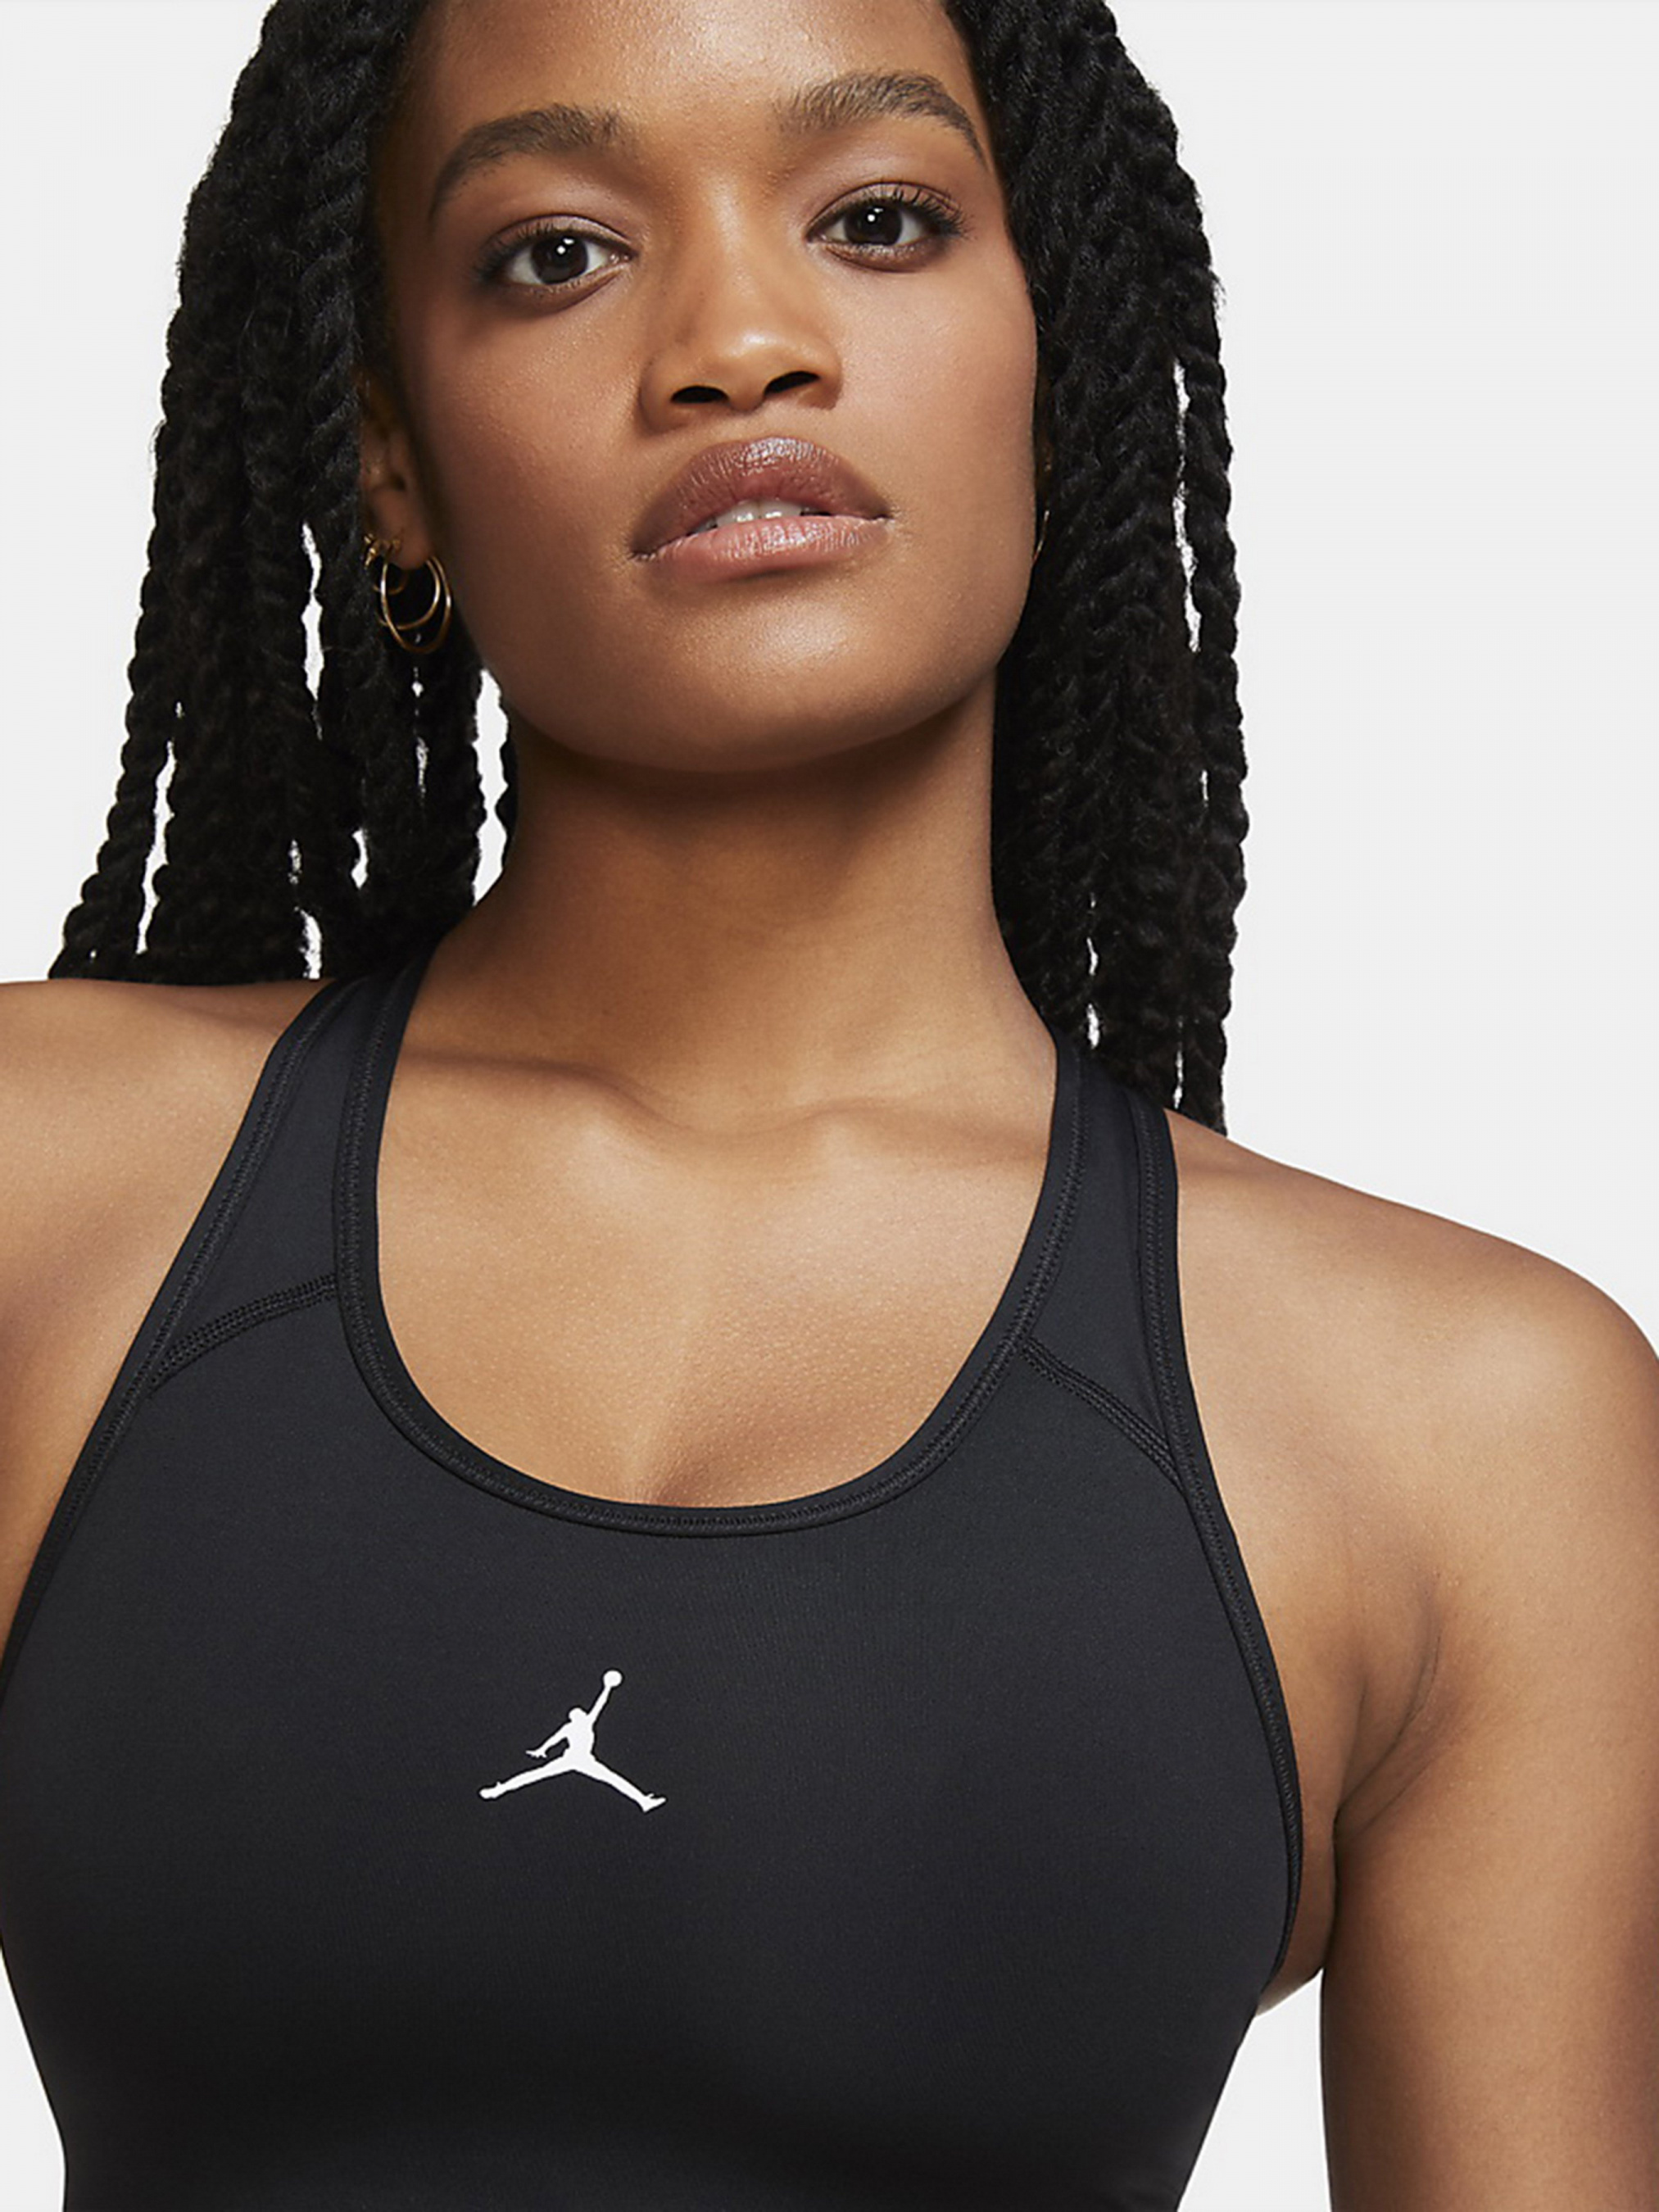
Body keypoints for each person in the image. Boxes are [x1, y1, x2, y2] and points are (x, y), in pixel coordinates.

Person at [0, 0, 1654, 2205]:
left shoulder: (1468, 1424)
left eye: (876, 220)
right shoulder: (40, 1188)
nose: (739, 344)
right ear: (384, 450)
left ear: (1059, 347)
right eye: (559, 253)